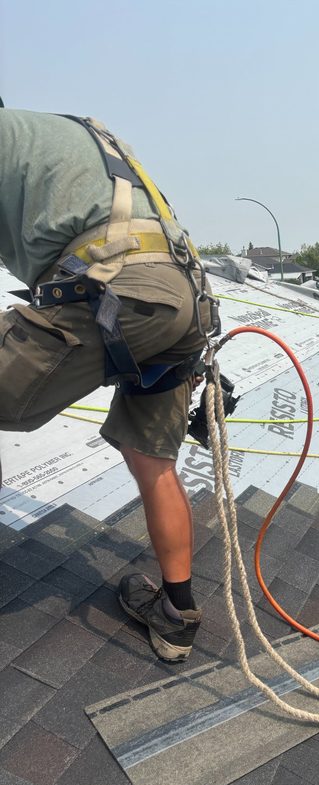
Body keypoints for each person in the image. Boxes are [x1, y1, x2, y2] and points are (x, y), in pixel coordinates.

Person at [0, 108, 219, 661]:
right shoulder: (65, 134)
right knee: (153, 461)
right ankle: (176, 617)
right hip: (186, 298)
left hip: (116, 290)